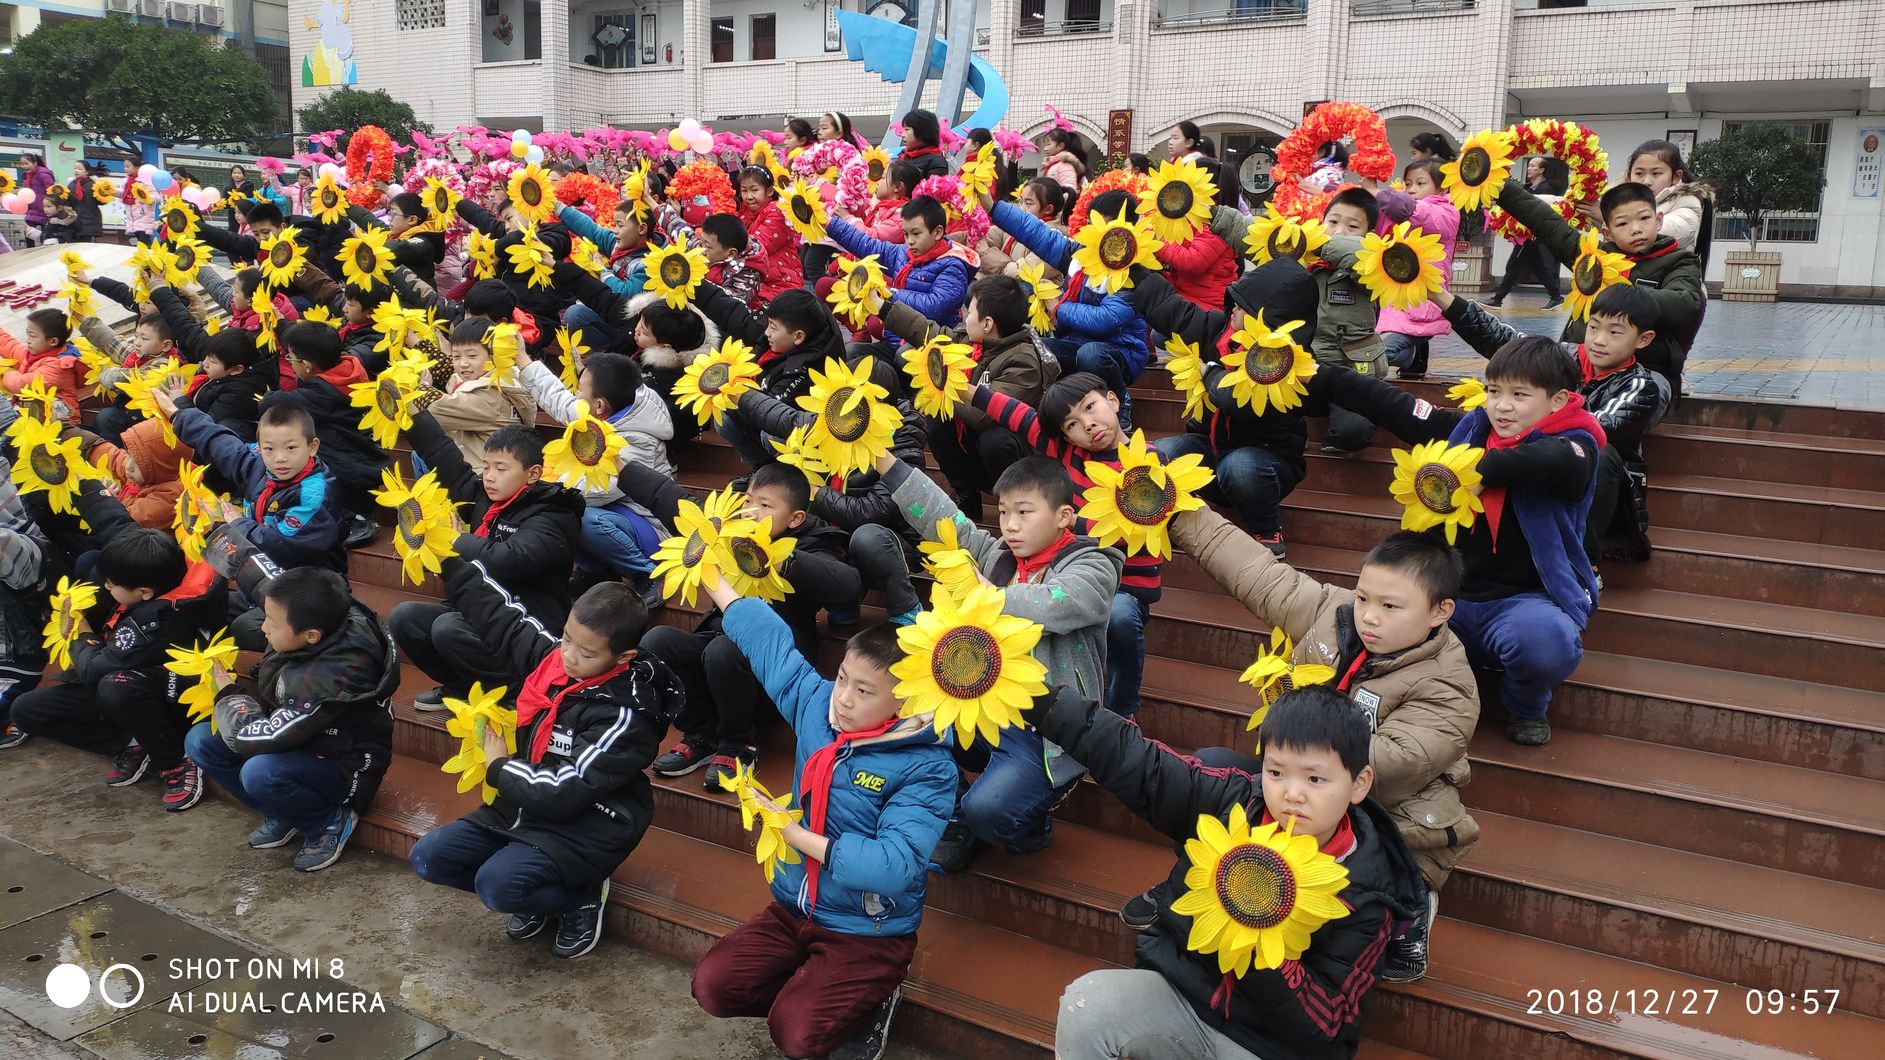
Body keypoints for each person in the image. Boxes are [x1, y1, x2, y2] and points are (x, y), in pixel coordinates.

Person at [1120, 506, 1478, 982]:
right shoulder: (1334, 615)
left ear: (1440, 611)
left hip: (1392, 809)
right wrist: (1179, 512)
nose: (1369, 617)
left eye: (1391, 607)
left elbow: (1396, 763)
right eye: (1364, 597)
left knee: (1356, 884)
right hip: (1305, 778)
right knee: (1208, 775)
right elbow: (1257, 573)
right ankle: (1186, 884)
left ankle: (1414, 907)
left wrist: (1300, 730)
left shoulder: (1448, 684)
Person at [1041, 685, 1428, 1060]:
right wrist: (1048, 705)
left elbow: (1330, 1026)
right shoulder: (1235, 801)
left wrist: (1260, 941)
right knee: (1089, 1005)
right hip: (1182, 998)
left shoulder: (1367, 896)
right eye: (1276, 772)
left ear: (1359, 784)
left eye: (1315, 779)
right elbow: (1144, 766)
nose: (1292, 794)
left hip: (1265, 1045)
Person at [690, 578, 955, 1060]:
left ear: (906, 702)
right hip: (795, 907)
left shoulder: (927, 767)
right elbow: (770, 647)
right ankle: (817, 990)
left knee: (797, 1036)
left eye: (864, 690)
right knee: (713, 987)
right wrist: (716, 581)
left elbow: (895, 866)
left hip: (867, 929)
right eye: (843, 678)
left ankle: (872, 996)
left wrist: (796, 836)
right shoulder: (819, 707)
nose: (844, 698)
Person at [1312, 338, 1605, 747]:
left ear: (1557, 400)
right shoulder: (1468, 431)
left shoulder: (1577, 445)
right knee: (1367, 613)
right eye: (1494, 391)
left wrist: (1481, 469)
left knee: (1546, 641)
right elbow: (1394, 406)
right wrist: (1321, 375)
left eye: (1519, 395)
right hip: (1451, 600)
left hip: (1524, 602)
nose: (1502, 406)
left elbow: (1553, 458)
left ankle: (1524, 705)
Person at [408, 559, 680, 959]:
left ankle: (579, 899)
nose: (568, 656)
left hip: (587, 823)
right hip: (522, 806)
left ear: (623, 657)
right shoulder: (553, 662)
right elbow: (502, 617)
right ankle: (537, 893)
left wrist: (499, 767)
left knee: (497, 886)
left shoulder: (624, 716)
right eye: (567, 637)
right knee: (429, 858)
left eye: (586, 652)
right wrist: (450, 562)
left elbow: (565, 790)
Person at [880, 454, 1120, 870]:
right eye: (1004, 512)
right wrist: (885, 462)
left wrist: (988, 595)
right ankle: (956, 809)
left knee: (989, 812)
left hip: (1046, 734)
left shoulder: (1094, 564)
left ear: (1064, 516)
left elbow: (1058, 602)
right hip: (984, 706)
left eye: (1024, 513)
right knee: (902, 731)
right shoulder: (1000, 558)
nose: (1010, 525)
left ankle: (1030, 817)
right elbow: (946, 521)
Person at [634, 462, 863, 790]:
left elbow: (847, 586)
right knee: (657, 642)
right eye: (748, 501)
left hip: (773, 669)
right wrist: (620, 465)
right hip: (719, 643)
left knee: (724, 650)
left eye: (765, 505)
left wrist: (781, 560)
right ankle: (701, 733)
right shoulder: (729, 529)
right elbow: (674, 500)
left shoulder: (814, 541)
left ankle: (738, 745)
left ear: (795, 518)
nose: (751, 512)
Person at [7, 482, 226, 810]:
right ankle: (133, 742)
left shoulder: (158, 619)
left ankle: (175, 761)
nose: (105, 586)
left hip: (166, 697)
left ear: (144, 592)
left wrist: (79, 631)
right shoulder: (146, 563)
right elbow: (112, 521)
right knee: (26, 709)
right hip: (125, 684)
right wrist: (77, 478)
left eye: (112, 584)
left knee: (115, 685)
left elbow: (96, 669)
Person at [958, 373, 1159, 719]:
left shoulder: (1150, 462)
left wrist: (1074, 522)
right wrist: (964, 388)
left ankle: (1123, 709)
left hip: (1128, 585)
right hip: (1071, 574)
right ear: (1065, 435)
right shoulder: (1068, 453)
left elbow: (1139, 528)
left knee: (1121, 617)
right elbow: (1017, 414)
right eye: (1072, 424)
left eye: (1090, 408)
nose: (1088, 424)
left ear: (1113, 400)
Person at [184, 553, 398, 873]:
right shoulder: (319, 611)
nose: (263, 628)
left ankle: (328, 821)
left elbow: (260, 738)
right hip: (301, 739)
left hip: (343, 763)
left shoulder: (328, 679)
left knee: (259, 772)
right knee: (200, 740)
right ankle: (284, 812)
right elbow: (262, 579)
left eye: (272, 622)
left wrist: (229, 694)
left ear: (311, 636)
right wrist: (225, 543)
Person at [1434, 283, 1667, 568]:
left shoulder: (1640, 387)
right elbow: (1504, 341)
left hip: (1601, 494)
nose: (1599, 340)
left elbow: (1594, 430)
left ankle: (1583, 564)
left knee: (1593, 450)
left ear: (1644, 339)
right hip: (1539, 471)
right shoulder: (1565, 356)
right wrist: (1442, 298)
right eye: (1594, 327)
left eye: (1614, 332)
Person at [1125, 259, 1316, 557]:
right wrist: (1130, 266)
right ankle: (1169, 519)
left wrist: (1209, 372)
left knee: (1240, 467)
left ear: (1269, 317)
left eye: (1244, 304)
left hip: (1264, 462)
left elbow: (1238, 401)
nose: (1234, 307)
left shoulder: (1289, 361)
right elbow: (1175, 312)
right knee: (1159, 453)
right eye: (1235, 299)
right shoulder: (1218, 329)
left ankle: (1266, 529)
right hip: (1211, 447)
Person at [394, 421, 583, 707]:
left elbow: (509, 559)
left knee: (448, 627)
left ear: (532, 474)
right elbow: (444, 456)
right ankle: (462, 687)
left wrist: (457, 540)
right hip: (481, 609)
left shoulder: (555, 514)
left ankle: (514, 693)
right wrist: (410, 414)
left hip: (526, 624)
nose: (489, 477)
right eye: (486, 467)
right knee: (404, 618)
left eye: (501, 469)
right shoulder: (486, 498)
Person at [1496, 177, 1704, 401]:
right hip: (1579, 368)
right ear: (1607, 232)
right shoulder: (1593, 259)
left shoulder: (1679, 261)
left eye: (1644, 218)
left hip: (1644, 372)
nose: (1636, 229)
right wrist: (1501, 186)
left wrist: (1622, 292)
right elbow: (1547, 223)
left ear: (1659, 220)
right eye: (1622, 224)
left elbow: (1686, 302)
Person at [887, 275, 1059, 521]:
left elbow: (983, 414)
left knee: (995, 441)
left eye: (969, 312)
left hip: (1012, 457)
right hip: (973, 447)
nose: (964, 316)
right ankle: (967, 495)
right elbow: (929, 332)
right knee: (937, 419)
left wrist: (940, 383)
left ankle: (1019, 508)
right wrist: (884, 307)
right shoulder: (970, 340)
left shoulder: (1023, 361)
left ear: (987, 324)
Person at [515, 345, 675, 607]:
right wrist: (522, 359)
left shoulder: (637, 441)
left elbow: (591, 491)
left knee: (575, 513)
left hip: (652, 531)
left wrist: (532, 489)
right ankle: (597, 570)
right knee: (563, 508)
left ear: (599, 405)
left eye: (580, 390)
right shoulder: (619, 407)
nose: (575, 395)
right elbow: (561, 402)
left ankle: (645, 573)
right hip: (619, 513)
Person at [981, 188, 1151, 429]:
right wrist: (993, 207)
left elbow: (1107, 319)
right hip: (1074, 344)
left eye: (1101, 226)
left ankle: (1119, 401)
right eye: (1091, 223)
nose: (1093, 232)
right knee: (1036, 347)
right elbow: (1037, 233)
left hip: (1118, 353)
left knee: (1090, 354)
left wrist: (1058, 309)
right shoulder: (1080, 255)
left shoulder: (1135, 271)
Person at [162, 398, 347, 585]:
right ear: (259, 446)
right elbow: (221, 444)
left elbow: (276, 544)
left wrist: (237, 523)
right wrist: (179, 416)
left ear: (312, 447)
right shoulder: (259, 463)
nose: (280, 458)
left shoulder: (313, 496)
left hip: (307, 583)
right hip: (263, 572)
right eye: (269, 448)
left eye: (291, 448)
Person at [264, 322, 389, 547]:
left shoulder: (321, 392)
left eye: (291, 358)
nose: (290, 363)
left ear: (307, 365)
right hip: (362, 457)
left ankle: (356, 520)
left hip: (350, 471)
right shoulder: (349, 369)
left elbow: (274, 403)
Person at [1308, 186, 1389, 454]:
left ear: (1370, 236)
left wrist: (1313, 242)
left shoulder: (1372, 267)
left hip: (1350, 372)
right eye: (1332, 222)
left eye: (1352, 227)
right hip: (1303, 370)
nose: (1339, 232)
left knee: (1355, 431)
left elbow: (1351, 252)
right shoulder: (1305, 263)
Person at [826, 196, 975, 336]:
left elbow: (933, 307)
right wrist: (830, 224)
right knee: (855, 351)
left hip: (930, 341)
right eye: (906, 234)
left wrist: (889, 294)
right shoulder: (904, 253)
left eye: (916, 234)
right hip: (899, 336)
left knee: (900, 351)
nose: (910, 241)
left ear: (937, 232)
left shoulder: (953, 266)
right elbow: (868, 245)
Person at [417, 317, 537, 472]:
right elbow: (449, 375)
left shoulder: (489, 395)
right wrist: (413, 337)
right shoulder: (496, 380)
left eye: (472, 356)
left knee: (425, 450)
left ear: (494, 355)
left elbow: (435, 410)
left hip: (482, 477)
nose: (463, 363)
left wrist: (421, 387)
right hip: (482, 468)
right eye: (456, 356)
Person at [1377, 160, 1461, 381]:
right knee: (1379, 350)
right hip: (1396, 300)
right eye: (1408, 183)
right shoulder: (1403, 213)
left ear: (1442, 188)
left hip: (1420, 300)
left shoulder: (1446, 213)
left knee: (1379, 354)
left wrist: (1384, 196)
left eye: (1420, 183)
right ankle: (1415, 357)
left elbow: (1422, 214)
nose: (1412, 189)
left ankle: (1412, 356)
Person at [1485, 157, 1566, 309]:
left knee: (1514, 265)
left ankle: (1498, 298)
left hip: (1532, 233)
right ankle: (1556, 296)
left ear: (1541, 170)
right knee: (1537, 267)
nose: (1529, 168)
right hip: (1526, 233)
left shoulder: (1546, 190)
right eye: (1528, 165)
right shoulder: (1527, 188)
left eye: (1533, 166)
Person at [736, 167, 807, 302]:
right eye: (744, 191)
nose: (749, 196)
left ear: (769, 191)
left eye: (754, 190)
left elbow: (756, 246)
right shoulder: (744, 214)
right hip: (759, 279)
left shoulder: (778, 212)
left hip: (781, 283)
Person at [978, 178, 1068, 281]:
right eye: (1021, 201)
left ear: (1048, 209)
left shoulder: (1055, 243)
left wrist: (985, 253)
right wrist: (970, 232)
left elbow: (1017, 273)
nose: (1022, 208)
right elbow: (988, 235)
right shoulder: (1017, 224)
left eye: (1029, 203)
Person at [2, 309, 82, 424]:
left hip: (60, 425)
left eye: (32, 336)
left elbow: (21, 385)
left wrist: (5, 373)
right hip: (35, 416)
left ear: (53, 341)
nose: (27, 341)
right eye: (27, 334)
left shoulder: (58, 367)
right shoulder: (34, 352)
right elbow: (10, 346)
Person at [897, 109, 950, 181]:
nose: (902, 135)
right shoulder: (903, 155)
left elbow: (934, 187)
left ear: (921, 131)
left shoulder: (936, 163)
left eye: (907, 129)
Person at [19, 154, 56, 244]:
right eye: (22, 164)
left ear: (35, 163)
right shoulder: (26, 176)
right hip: (32, 211)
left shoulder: (43, 174)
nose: (24, 166)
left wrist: (49, 206)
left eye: (26, 163)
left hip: (45, 211)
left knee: (47, 237)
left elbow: (52, 190)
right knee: (28, 232)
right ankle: (30, 251)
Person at [69, 162, 104, 242]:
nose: (76, 171)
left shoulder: (93, 185)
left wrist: (102, 190)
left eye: (79, 169)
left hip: (90, 222)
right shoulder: (71, 185)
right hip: (75, 223)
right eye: (75, 168)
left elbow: (102, 201)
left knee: (87, 246)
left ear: (87, 171)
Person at [225, 164, 257, 231]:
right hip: (232, 216)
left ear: (243, 175)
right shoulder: (228, 188)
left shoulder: (249, 186)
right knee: (233, 232)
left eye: (239, 173)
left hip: (244, 214)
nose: (236, 175)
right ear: (231, 174)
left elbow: (248, 201)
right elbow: (226, 204)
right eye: (234, 173)